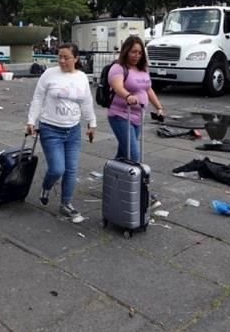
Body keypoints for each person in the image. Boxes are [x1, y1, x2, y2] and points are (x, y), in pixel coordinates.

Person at [26, 43, 97, 220]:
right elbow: (38, 98)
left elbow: (87, 101)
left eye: (66, 57)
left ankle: (66, 203)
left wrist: (91, 123)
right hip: (51, 128)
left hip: (73, 130)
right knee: (57, 169)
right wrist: (31, 121)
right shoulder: (49, 74)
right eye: (60, 57)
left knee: (71, 170)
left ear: (76, 59)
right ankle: (46, 187)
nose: (62, 61)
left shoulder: (81, 77)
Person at [106, 36, 163, 164]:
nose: (136, 56)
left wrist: (159, 107)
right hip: (121, 115)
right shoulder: (118, 68)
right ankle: (131, 181)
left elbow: (148, 89)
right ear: (126, 51)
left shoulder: (143, 69)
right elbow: (117, 87)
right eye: (133, 52)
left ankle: (114, 176)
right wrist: (128, 96)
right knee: (133, 155)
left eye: (139, 52)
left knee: (123, 153)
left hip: (138, 117)